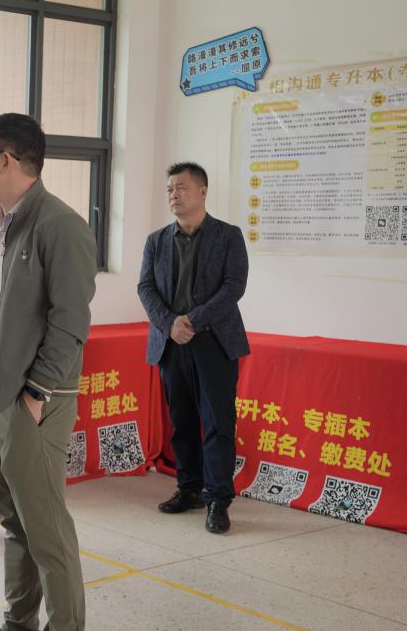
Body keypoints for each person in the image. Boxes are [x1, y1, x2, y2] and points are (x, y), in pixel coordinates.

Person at [0, 113, 96, 631]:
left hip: (30, 401)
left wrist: (36, 393)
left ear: (7, 160)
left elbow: (70, 321)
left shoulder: (59, 225)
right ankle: (19, 622)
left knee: (46, 530)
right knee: (14, 522)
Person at [137, 161, 250, 535]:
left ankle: (218, 498)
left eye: (181, 188)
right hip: (171, 343)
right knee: (181, 420)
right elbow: (145, 288)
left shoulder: (228, 236)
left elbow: (234, 286)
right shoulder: (156, 240)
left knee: (218, 423)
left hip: (213, 342)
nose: (174, 195)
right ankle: (188, 488)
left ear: (203, 191)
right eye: (170, 189)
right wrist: (170, 323)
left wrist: (192, 320)